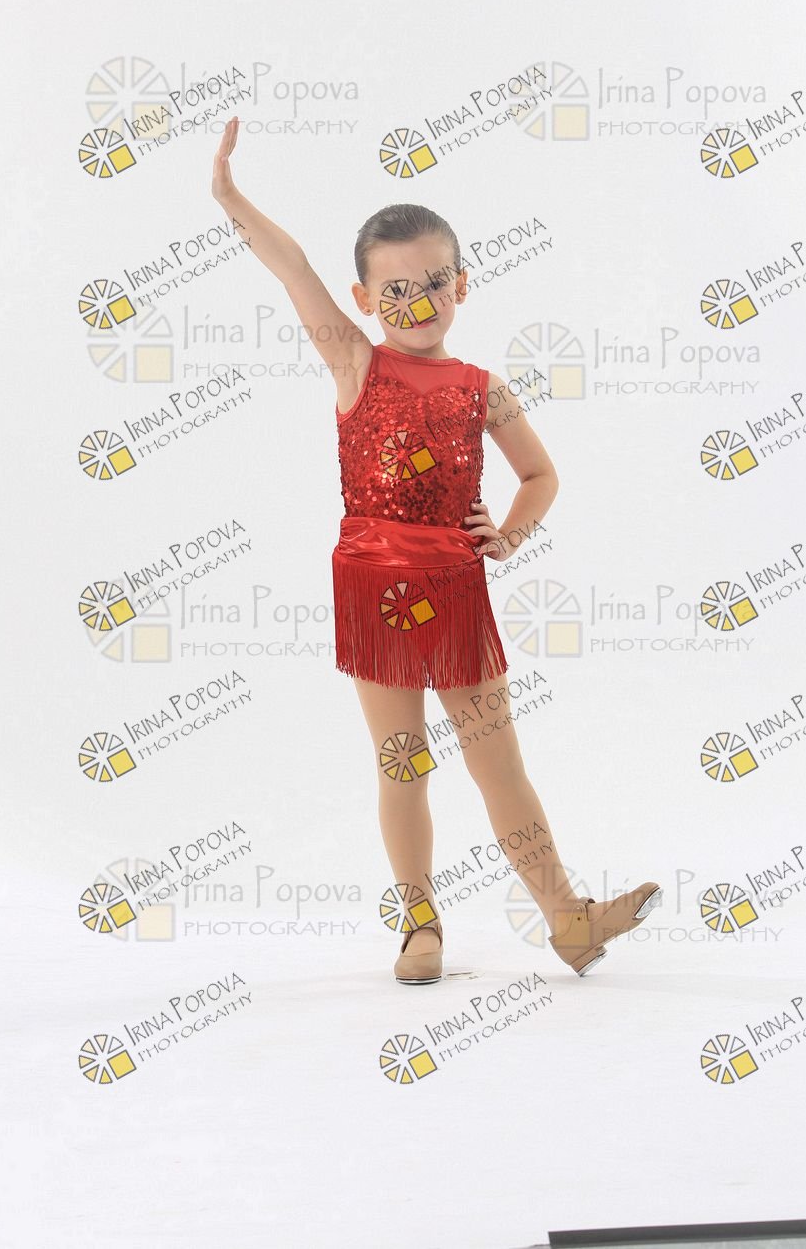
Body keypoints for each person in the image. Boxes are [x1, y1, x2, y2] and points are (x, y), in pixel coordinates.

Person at [211, 116, 661, 984]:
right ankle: (419, 926)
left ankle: (568, 920)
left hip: (455, 591)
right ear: (362, 300)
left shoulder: (481, 388)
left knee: (499, 765)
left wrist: (510, 535)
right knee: (403, 764)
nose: (418, 304)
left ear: (462, 284)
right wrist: (231, 198)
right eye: (396, 291)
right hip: (374, 590)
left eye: (434, 284)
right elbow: (293, 268)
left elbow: (540, 475)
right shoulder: (355, 366)